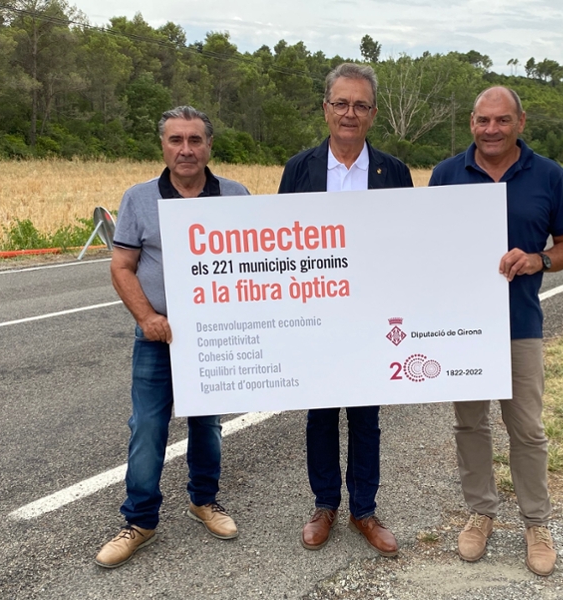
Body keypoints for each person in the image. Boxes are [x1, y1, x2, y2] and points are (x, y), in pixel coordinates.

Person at [428, 86, 563, 577]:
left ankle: (536, 522)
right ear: (471, 122)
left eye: (501, 120)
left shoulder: (549, 175)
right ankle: (481, 512)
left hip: (519, 325)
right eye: (482, 120)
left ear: (520, 122)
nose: (491, 129)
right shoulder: (446, 175)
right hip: (461, 327)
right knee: (469, 424)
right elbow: (424, 244)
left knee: (527, 430)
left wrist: (539, 259)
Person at [95, 105, 250, 568]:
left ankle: (205, 501)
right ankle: (140, 520)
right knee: (147, 427)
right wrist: (147, 317)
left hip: (213, 335)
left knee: (208, 423)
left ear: (209, 146)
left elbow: (257, 265)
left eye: (195, 140)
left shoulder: (235, 195)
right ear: (163, 145)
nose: (186, 149)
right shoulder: (139, 199)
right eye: (176, 140)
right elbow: (121, 267)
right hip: (158, 334)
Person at [278, 63, 413, 558]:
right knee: (320, 414)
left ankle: (365, 510)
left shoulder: (394, 171)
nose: (349, 113)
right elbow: (281, 245)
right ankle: (323, 505)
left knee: (366, 416)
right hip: (318, 315)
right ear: (326, 109)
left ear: (373, 113)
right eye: (341, 103)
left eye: (360, 105)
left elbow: (407, 243)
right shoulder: (300, 168)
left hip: (372, 317)